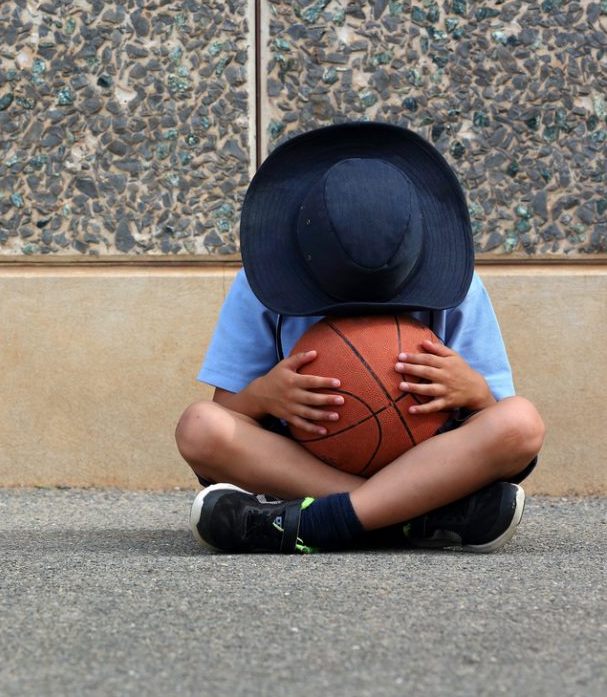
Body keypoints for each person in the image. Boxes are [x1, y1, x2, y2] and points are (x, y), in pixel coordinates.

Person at [175, 122, 545, 554]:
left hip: (427, 459)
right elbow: (227, 413)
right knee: (199, 427)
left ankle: (310, 522)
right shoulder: (258, 285)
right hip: (307, 462)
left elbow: (495, 414)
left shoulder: (458, 286)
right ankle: (411, 517)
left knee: (521, 424)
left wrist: (475, 392)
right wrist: (262, 396)